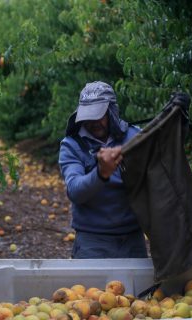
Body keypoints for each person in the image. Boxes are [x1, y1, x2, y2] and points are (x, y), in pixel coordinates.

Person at [58, 81, 148, 259]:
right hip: (93, 241)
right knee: (90, 288)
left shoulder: (135, 138)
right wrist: (101, 173)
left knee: (136, 287)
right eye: (89, 115)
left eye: (99, 115)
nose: (94, 122)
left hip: (133, 239)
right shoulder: (72, 145)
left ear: (112, 112)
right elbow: (75, 190)